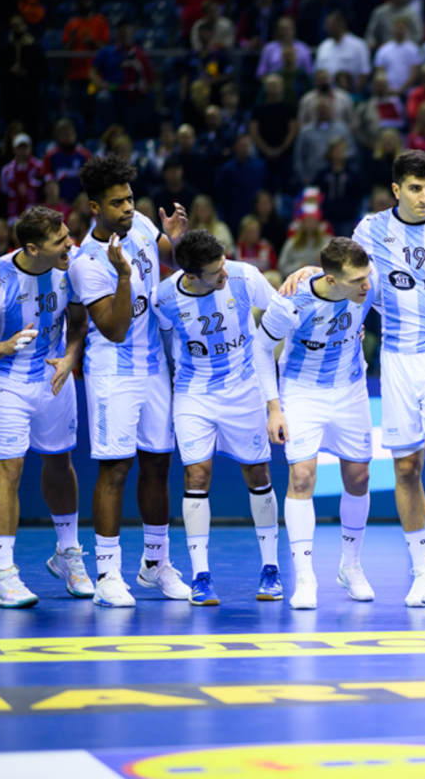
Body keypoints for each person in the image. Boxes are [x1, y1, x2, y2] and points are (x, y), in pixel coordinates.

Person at [285, 149, 425, 609]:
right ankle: (419, 570)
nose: (424, 197)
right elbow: (346, 272)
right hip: (397, 358)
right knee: (405, 468)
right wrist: (310, 273)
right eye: (415, 189)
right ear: (397, 189)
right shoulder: (371, 229)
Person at [68, 155, 189, 606]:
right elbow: (114, 328)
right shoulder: (86, 262)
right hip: (113, 374)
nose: (127, 208)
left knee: (158, 463)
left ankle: (155, 564)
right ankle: (107, 575)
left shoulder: (138, 221)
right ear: (94, 207)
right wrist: (123, 276)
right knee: (115, 469)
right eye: (116, 202)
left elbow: (163, 253)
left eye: (130, 199)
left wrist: (172, 241)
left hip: (155, 365)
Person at [0, 206, 87, 607]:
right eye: (60, 241)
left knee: (60, 463)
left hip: (56, 379)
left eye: (67, 234)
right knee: (8, 470)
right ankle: (6, 573)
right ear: (32, 248)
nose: (70, 244)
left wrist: (70, 358)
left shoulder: (73, 264)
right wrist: (2, 346)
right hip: (8, 383)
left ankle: (68, 554)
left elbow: (78, 322)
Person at [152, 230, 282, 606]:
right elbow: (162, 345)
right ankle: (200, 576)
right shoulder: (165, 297)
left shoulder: (243, 276)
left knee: (258, 474)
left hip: (245, 389)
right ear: (190, 275)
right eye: (214, 271)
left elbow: (282, 317)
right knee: (197, 474)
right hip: (194, 392)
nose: (224, 272)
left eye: (223, 263)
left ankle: (270, 569)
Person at [255, 238, 376, 609]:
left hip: (351, 388)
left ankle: (350, 566)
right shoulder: (292, 301)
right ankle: (305, 576)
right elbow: (261, 349)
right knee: (302, 477)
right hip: (302, 391)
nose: (367, 286)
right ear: (331, 280)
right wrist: (273, 408)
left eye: (367, 276)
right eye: (357, 280)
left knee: (359, 477)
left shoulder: (368, 283)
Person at [315, 11, 371, 94]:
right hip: (327, 94)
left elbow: (364, 72)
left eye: (329, 25)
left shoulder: (358, 45)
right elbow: (317, 71)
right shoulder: (324, 46)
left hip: (351, 93)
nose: (326, 28)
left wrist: (356, 94)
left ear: (340, 24)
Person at [0, 134, 42, 225]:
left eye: (25, 147)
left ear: (30, 148)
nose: (22, 151)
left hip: (35, 214)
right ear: (14, 149)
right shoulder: (6, 171)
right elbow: (4, 194)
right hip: (13, 213)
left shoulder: (39, 167)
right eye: (19, 147)